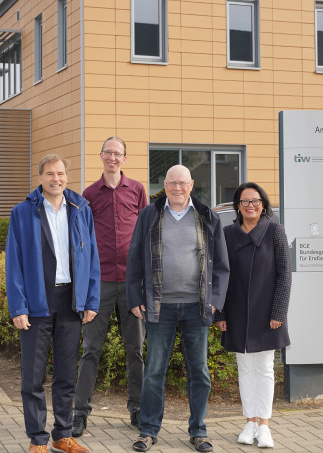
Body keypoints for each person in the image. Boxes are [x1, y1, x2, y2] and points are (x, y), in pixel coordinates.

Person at [126, 164, 230, 453]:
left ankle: (198, 431)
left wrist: (215, 300)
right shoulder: (150, 214)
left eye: (182, 183)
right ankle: (148, 430)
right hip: (160, 306)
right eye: (172, 183)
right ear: (165, 185)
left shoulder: (207, 216)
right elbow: (134, 259)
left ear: (191, 184)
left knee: (199, 371)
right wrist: (135, 297)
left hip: (197, 307)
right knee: (154, 371)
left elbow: (221, 265)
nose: (177, 188)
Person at [5, 154, 100, 453]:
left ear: (67, 176)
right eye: (49, 174)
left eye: (60, 173)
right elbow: (14, 264)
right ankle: (37, 438)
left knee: (65, 374)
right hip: (37, 302)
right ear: (40, 177)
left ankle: (62, 434)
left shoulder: (81, 209)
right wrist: (18, 307)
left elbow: (92, 258)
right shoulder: (23, 213)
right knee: (32, 376)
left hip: (71, 301)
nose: (55, 179)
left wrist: (90, 300)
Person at [72, 137, 147, 436]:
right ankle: (79, 414)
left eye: (118, 154)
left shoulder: (138, 189)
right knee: (91, 349)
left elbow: (144, 230)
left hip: (131, 284)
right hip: (100, 283)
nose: (112, 158)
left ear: (124, 159)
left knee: (136, 350)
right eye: (108, 153)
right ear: (100, 156)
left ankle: (139, 410)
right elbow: (82, 239)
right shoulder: (88, 194)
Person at [215, 182, 291, 449]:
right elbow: (220, 276)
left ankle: (265, 425)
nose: (251, 206)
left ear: (263, 205)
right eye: (245, 201)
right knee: (245, 368)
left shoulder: (275, 232)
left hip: (267, 312)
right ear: (238, 205)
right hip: (235, 311)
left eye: (256, 201)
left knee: (265, 368)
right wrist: (220, 312)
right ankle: (249, 421)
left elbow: (284, 275)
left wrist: (279, 311)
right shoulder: (226, 234)